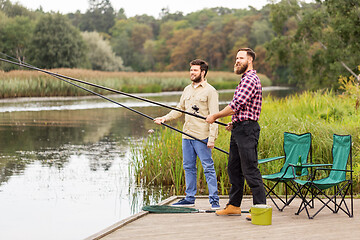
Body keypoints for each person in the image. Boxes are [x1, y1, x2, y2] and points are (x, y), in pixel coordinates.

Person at [206, 48, 266, 217]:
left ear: (250, 60)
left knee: (250, 170)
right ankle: (234, 205)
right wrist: (234, 122)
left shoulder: (250, 79)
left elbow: (235, 106)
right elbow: (242, 109)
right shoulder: (244, 79)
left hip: (247, 131)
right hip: (240, 129)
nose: (237, 61)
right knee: (233, 169)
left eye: (241, 58)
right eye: (236, 58)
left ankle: (260, 209)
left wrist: (215, 116)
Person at [154, 59, 220, 209]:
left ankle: (214, 201)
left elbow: (214, 116)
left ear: (203, 72)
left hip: (202, 136)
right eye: (191, 70)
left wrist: (212, 138)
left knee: (208, 167)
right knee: (188, 167)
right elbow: (179, 109)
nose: (192, 73)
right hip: (187, 135)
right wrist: (165, 118)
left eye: (195, 70)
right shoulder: (186, 89)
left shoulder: (210, 91)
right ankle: (189, 198)